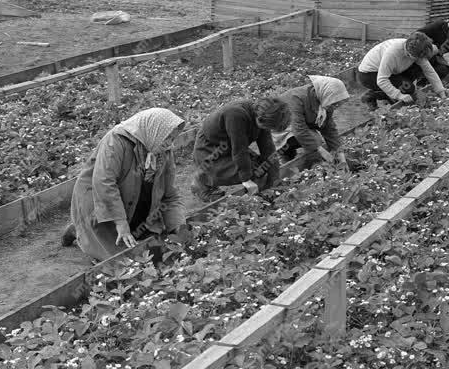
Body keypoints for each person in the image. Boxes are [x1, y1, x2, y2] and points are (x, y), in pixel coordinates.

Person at [62, 107, 188, 262]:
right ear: (155, 130)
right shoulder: (116, 141)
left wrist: (178, 228)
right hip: (97, 198)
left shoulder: (163, 150)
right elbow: (104, 183)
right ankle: (81, 230)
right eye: (167, 137)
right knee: (118, 259)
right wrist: (121, 224)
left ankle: (87, 229)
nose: (170, 144)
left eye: (173, 139)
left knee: (151, 245)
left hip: (129, 197)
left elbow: (170, 194)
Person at [190, 96, 291, 202]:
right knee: (251, 172)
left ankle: (264, 196)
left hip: (230, 146)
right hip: (210, 149)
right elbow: (239, 150)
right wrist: (246, 179)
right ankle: (201, 184)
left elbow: (268, 149)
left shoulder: (262, 114)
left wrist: (275, 179)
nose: (267, 130)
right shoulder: (236, 115)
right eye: (267, 128)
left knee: (262, 169)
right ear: (259, 119)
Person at [276, 75, 349, 171]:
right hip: (282, 128)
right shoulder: (297, 98)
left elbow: (329, 129)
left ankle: (301, 158)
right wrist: (322, 151)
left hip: (301, 127)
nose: (335, 106)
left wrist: (341, 157)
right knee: (315, 141)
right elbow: (299, 129)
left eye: (337, 104)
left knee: (315, 142)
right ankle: (286, 155)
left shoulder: (325, 101)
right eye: (335, 103)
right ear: (327, 93)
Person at [357, 31, 445, 109]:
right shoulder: (393, 52)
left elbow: (429, 71)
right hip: (368, 74)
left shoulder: (417, 49)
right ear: (409, 52)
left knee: (415, 74)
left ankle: (388, 93)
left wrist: (441, 92)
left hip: (391, 72)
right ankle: (371, 96)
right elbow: (382, 80)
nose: (420, 59)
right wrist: (399, 95)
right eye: (417, 57)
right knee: (408, 89)